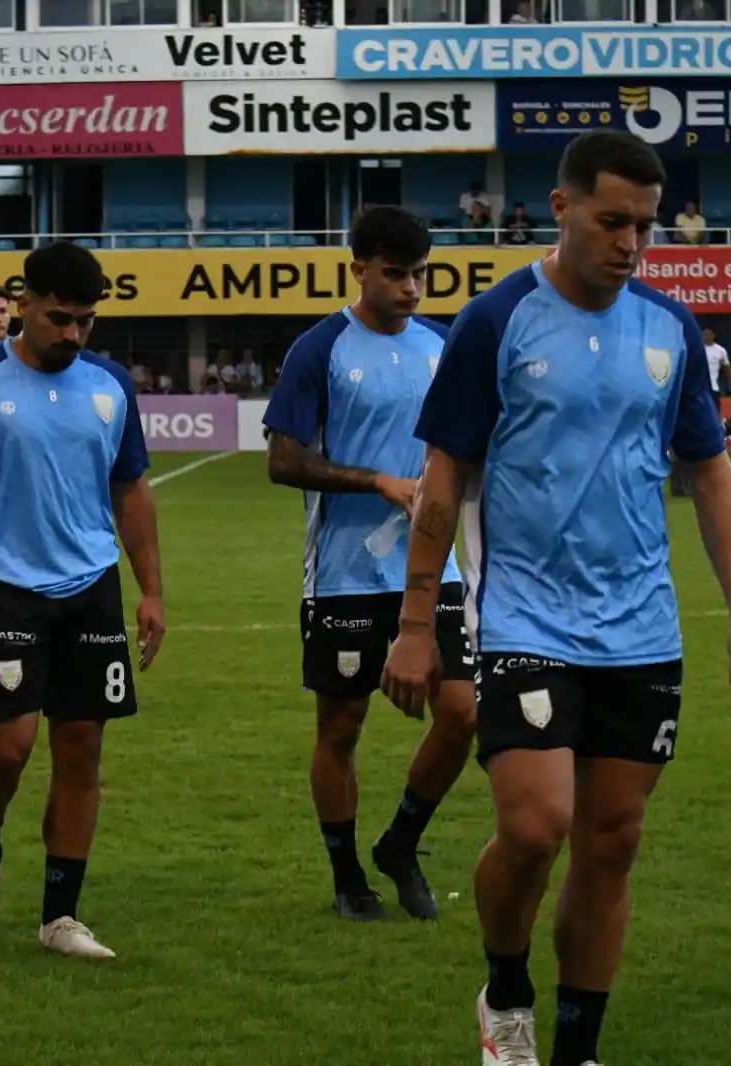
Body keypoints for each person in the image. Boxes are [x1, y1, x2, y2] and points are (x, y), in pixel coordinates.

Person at [380, 129, 731, 1066]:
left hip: (640, 626)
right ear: (559, 211)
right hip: (524, 618)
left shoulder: (669, 328)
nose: (630, 243)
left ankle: (574, 1048)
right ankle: (504, 991)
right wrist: (412, 623)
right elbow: (443, 480)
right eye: (611, 221)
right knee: (533, 824)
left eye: (644, 226)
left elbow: (709, 474)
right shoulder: (494, 321)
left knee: (611, 841)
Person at [0, 241, 166, 960]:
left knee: (81, 750)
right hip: (3, 583)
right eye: (59, 318)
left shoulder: (110, 385)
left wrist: (150, 589)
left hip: (91, 586)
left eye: (84, 322)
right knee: (7, 749)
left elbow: (131, 490)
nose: (71, 334)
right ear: (22, 302)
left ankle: (60, 916)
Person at [263, 205, 476, 923]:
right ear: (358, 268)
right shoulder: (319, 348)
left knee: (462, 714)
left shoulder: (443, 347)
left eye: (420, 274)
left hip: (435, 571)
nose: (411, 288)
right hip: (345, 575)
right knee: (342, 727)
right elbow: (283, 461)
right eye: (395, 274)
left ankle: (400, 842)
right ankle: (347, 872)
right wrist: (378, 481)